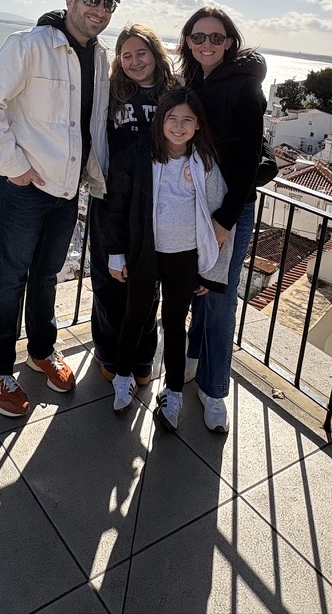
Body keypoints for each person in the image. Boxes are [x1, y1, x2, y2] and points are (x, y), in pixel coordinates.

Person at [0, 0, 120, 417]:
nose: (100, 9)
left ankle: (41, 349)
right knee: (10, 277)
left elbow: (90, 124)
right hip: (24, 187)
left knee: (47, 275)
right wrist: (14, 167)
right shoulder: (29, 45)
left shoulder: (100, 58)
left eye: (109, 4)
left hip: (67, 187)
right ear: (71, 0)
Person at [100, 88, 233, 432]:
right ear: (160, 122)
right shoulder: (137, 158)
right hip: (145, 252)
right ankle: (122, 376)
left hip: (184, 258)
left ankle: (173, 392)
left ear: (198, 125)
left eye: (187, 119)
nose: (178, 126)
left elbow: (216, 222)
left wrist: (208, 270)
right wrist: (116, 253)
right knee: (134, 316)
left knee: (174, 325)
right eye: (171, 118)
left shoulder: (205, 164)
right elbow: (115, 208)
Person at [178, 6, 266, 434]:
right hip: (196, 203)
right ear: (188, 42)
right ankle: (193, 359)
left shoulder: (244, 86)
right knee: (196, 286)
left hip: (229, 207)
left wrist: (225, 220)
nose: (206, 45)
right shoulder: (195, 80)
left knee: (218, 297)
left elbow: (250, 157)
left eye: (215, 37)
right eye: (198, 38)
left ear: (230, 41)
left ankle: (214, 391)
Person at [89, 24, 177, 385]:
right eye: (126, 55)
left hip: (158, 199)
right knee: (109, 283)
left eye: (141, 53)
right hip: (111, 197)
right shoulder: (110, 94)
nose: (135, 61)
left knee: (146, 283)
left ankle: (141, 359)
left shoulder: (175, 95)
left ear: (156, 54)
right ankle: (109, 353)